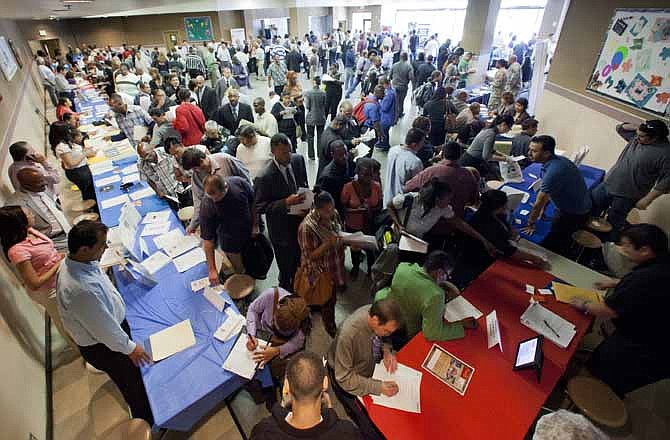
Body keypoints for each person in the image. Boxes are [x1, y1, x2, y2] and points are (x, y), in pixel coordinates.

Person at [56, 221, 153, 423]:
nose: (105, 248)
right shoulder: (79, 290)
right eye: (102, 245)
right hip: (105, 346)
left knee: (133, 378)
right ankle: (147, 421)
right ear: (84, 249)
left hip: (109, 333)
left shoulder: (79, 261)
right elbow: (104, 329)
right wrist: (129, 348)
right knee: (132, 383)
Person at [571, 224, 670, 397]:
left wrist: (583, 304)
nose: (622, 249)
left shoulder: (643, 278)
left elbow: (607, 310)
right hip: (658, 338)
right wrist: (616, 282)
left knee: (604, 374)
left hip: (649, 346)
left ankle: (590, 398)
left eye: (627, 246)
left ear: (645, 250)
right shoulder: (663, 262)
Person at [326, 299, 402, 440]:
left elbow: (383, 338)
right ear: (374, 320)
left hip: (365, 367)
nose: (388, 335)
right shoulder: (348, 335)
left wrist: (386, 350)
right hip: (346, 379)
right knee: (368, 426)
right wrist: (378, 387)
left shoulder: (374, 311)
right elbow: (344, 378)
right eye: (386, 331)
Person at [0, 206, 74, 347]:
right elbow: (34, 283)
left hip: (61, 278)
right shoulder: (17, 251)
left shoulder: (30, 231)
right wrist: (58, 264)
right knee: (66, 323)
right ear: (18, 221)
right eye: (28, 213)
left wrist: (58, 259)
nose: (32, 214)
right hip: (49, 291)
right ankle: (85, 354)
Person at [375, 250, 477, 348]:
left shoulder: (403, 267)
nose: (447, 279)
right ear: (440, 272)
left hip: (386, 310)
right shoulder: (435, 295)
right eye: (447, 276)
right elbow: (432, 333)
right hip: (404, 329)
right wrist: (461, 325)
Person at [250, 351, 362, 440]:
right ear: (325, 383)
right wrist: (330, 414)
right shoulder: (347, 433)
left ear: (287, 386)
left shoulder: (263, 432)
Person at [590, 120, 670, 235]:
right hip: (608, 184)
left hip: (627, 195)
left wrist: (648, 199)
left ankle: (601, 245)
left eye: (641, 136)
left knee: (613, 224)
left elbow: (667, 180)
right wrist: (640, 128)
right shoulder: (636, 138)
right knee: (591, 208)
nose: (637, 138)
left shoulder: (665, 153)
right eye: (637, 134)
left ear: (655, 138)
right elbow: (620, 128)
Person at [456, 190, 548, 283]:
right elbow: (507, 250)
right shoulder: (485, 225)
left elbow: (506, 225)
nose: (506, 207)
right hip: (482, 260)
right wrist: (534, 258)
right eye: (504, 205)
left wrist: (511, 231)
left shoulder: (495, 213)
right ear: (498, 207)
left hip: (501, 247)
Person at [254, 133, 308, 289]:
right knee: (286, 266)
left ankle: (299, 285)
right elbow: (260, 206)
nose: (289, 155)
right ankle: (286, 288)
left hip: (300, 223)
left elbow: (303, 183)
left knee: (300, 259)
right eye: (284, 153)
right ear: (273, 152)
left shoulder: (298, 160)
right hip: (282, 232)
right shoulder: (263, 177)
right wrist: (285, 202)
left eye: (290, 150)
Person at [522, 135, 592, 256]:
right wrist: (543, 209)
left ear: (547, 153)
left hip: (573, 213)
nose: (529, 153)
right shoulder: (557, 161)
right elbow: (550, 193)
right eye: (530, 149)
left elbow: (538, 202)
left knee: (554, 244)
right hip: (577, 204)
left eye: (534, 151)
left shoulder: (554, 171)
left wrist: (531, 224)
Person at [297, 191, 346, 337]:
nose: (331, 213)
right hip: (320, 273)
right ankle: (328, 326)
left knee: (331, 298)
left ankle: (328, 320)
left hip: (335, 266)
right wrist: (326, 245)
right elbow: (309, 256)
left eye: (332, 209)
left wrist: (350, 242)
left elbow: (339, 233)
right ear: (316, 209)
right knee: (325, 300)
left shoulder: (334, 214)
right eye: (326, 211)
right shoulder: (307, 227)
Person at [180, 148, 251, 234]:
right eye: (193, 169)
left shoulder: (225, 159)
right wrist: (192, 226)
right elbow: (198, 202)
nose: (196, 171)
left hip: (244, 209)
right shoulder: (196, 176)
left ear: (202, 160)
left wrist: (256, 218)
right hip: (225, 219)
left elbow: (247, 181)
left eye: (196, 168)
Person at [201, 174, 257, 282]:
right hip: (230, 241)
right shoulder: (207, 204)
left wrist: (255, 225)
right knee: (240, 271)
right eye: (210, 196)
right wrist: (212, 269)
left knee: (254, 261)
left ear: (225, 188)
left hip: (250, 233)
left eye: (216, 197)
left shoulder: (239, 183)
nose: (214, 200)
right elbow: (208, 239)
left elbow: (253, 201)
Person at [246, 287, 310, 380]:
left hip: (282, 344)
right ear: (278, 306)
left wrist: (277, 350)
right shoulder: (271, 295)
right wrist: (252, 334)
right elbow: (253, 309)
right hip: (262, 335)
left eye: (283, 331)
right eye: (275, 323)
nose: (277, 329)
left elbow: (296, 343)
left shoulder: (302, 324)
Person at [404, 141, 479, 218]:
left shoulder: (431, 171)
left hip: (428, 222)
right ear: (460, 156)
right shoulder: (469, 175)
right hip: (455, 221)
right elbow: (473, 200)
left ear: (442, 154)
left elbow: (407, 187)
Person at [341, 159, 382, 278]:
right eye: (365, 174)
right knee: (355, 248)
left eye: (370, 174)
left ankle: (371, 269)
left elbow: (379, 205)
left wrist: (370, 209)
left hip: (370, 224)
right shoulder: (348, 188)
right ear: (357, 173)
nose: (368, 178)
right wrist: (357, 210)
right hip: (353, 224)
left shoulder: (376, 186)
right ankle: (356, 266)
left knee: (371, 249)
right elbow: (343, 208)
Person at [49, 123, 97, 202]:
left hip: (82, 168)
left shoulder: (66, 141)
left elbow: (74, 153)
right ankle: (93, 209)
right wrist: (85, 154)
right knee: (89, 193)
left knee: (90, 191)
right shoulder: (61, 146)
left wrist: (84, 151)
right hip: (78, 172)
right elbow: (71, 163)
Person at [383, 128, 425, 205]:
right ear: (414, 144)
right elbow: (416, 184)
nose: (423, 145)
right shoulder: (414, 161)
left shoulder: (393, 150)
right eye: (422, 142)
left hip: (388, 195)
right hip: (401, 201)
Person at [136, 142, 185, 208]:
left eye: (148, 154)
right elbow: (148, 180)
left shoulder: (165, 152)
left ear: (152, 149)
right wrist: (157, 191)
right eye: (143, 156)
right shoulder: (141, 164)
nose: (146, 158)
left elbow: (181, 165)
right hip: (166, 195)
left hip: (180, 188)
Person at [316, 141, 353, 219]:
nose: (344, 157)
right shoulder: (327, 177)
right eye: (340, 155)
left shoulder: (346, 160)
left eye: (345, 153)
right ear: (332, 155)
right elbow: (324, 200)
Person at [304, 76, 328, 160]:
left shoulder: (308, 93)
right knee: (320, 136)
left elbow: (307, 106)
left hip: (311, 118)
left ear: (314, 82)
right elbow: (324, 104)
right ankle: (319, 154)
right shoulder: (323, 93)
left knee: (310, 136)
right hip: (321, 117)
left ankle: (311, 155)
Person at [389, 52, 414, 119]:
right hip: (403, 87)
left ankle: (394, 113)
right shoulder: (409, 66)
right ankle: (400, 113)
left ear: (400, 57)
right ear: (407, 57)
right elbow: (411, 77)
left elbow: (390, 76)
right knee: (401, 101)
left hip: (394, 86)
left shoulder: (394, 65)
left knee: (395, 100)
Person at [376, 77, 397, 151]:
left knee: (384, 132)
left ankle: (385, 146)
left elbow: (384, 108)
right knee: (385, 132)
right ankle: (384, 144)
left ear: (384, 84)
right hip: (389, 117)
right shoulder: (392, 91)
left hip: (386, 118)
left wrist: (378, 103)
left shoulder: (388, 95)